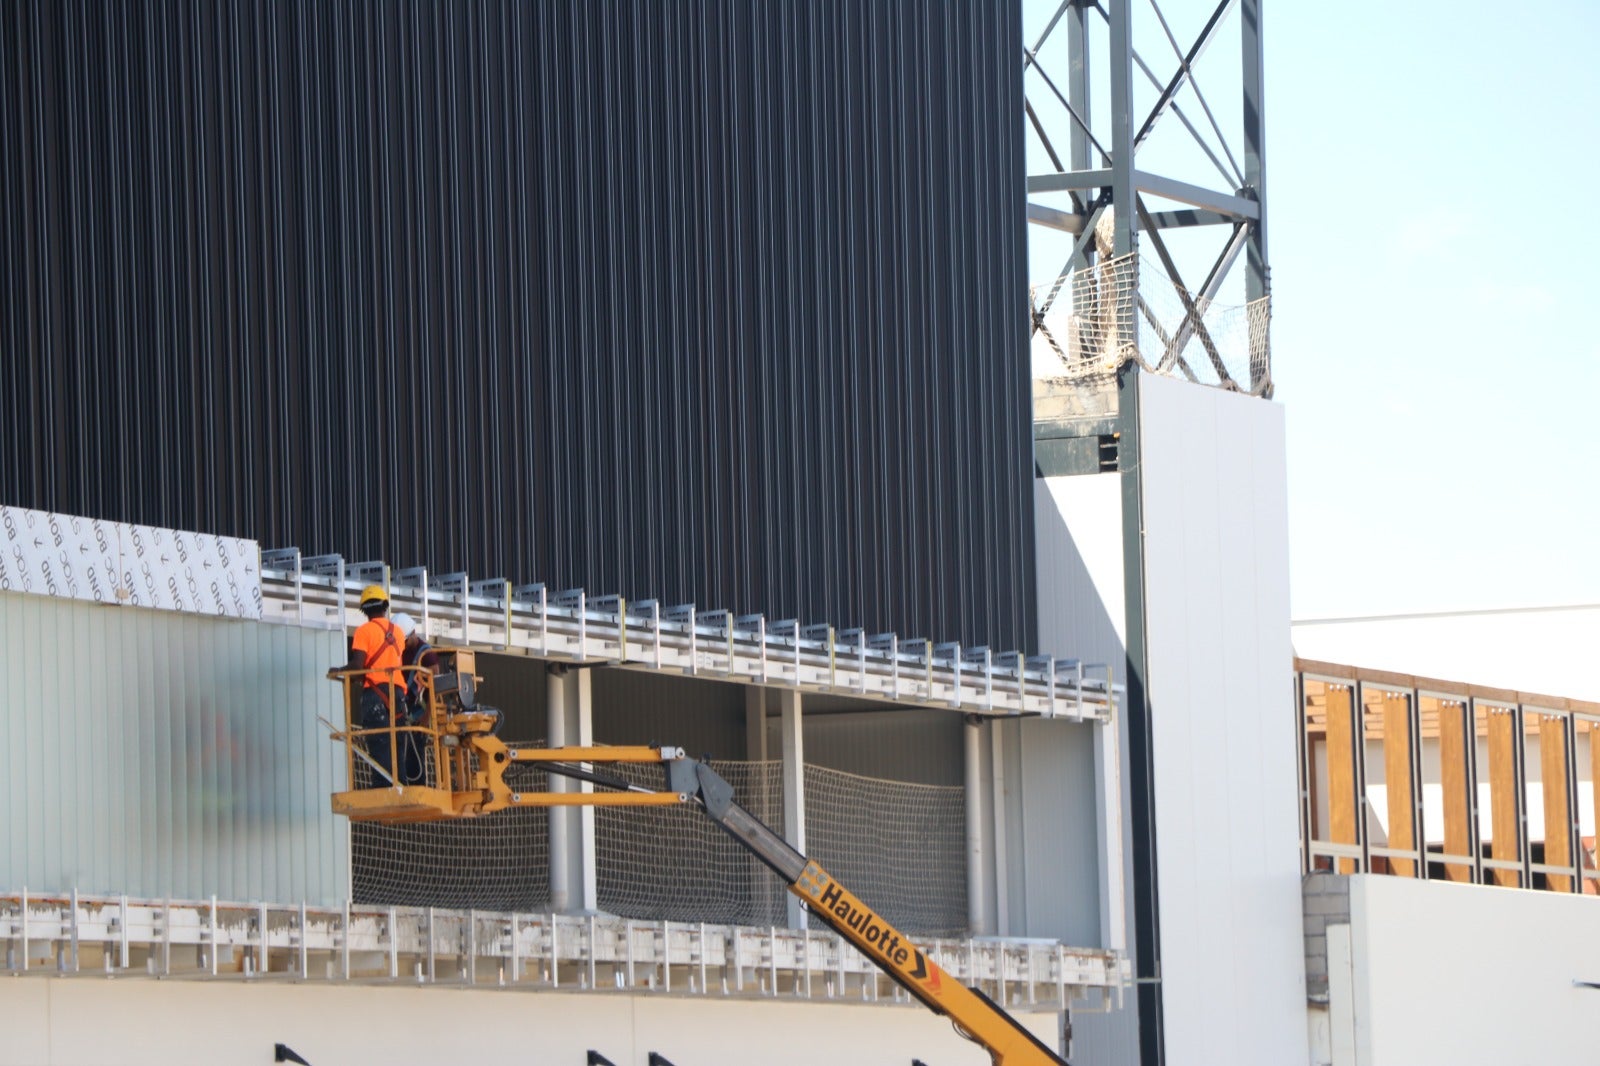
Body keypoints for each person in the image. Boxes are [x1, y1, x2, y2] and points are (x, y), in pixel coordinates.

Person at [340, 585, 407, 785]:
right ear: (385, 606)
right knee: (397, 741)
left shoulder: (364, 631)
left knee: (379, 741)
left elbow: (357, 665)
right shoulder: (399, 633)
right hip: (397, 692)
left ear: (365, 610)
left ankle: (383, 787)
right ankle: (401, 784)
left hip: (375, 693)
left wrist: (340, 671)